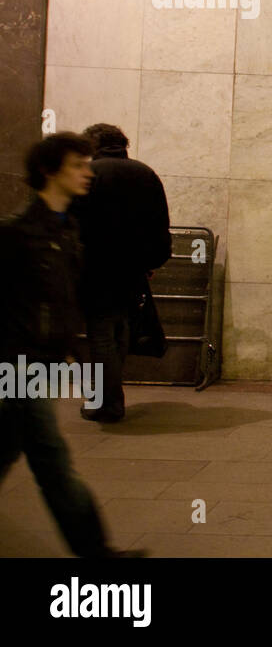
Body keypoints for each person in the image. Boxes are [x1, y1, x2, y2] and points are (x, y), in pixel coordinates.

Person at [0, 133, 140, 557]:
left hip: (39, 363)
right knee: (53, 462)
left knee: (23, 454)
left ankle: (96, 551)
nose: (87, 172)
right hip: (18, 365)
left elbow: (58, 301)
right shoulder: (17, 234)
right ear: (48, 170)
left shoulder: (67, 230)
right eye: (77, 165)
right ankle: (97, 553)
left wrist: (66, 347)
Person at [73, 124, 172, 423]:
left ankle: (109, 403)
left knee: (101, 333)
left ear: (93, 144)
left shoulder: (90, 174)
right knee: (120, 330)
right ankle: (110, 398)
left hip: (96, 267)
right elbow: (159, 222)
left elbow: (74, 224)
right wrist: (152, 261)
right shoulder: (145, 173)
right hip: (132, 268)